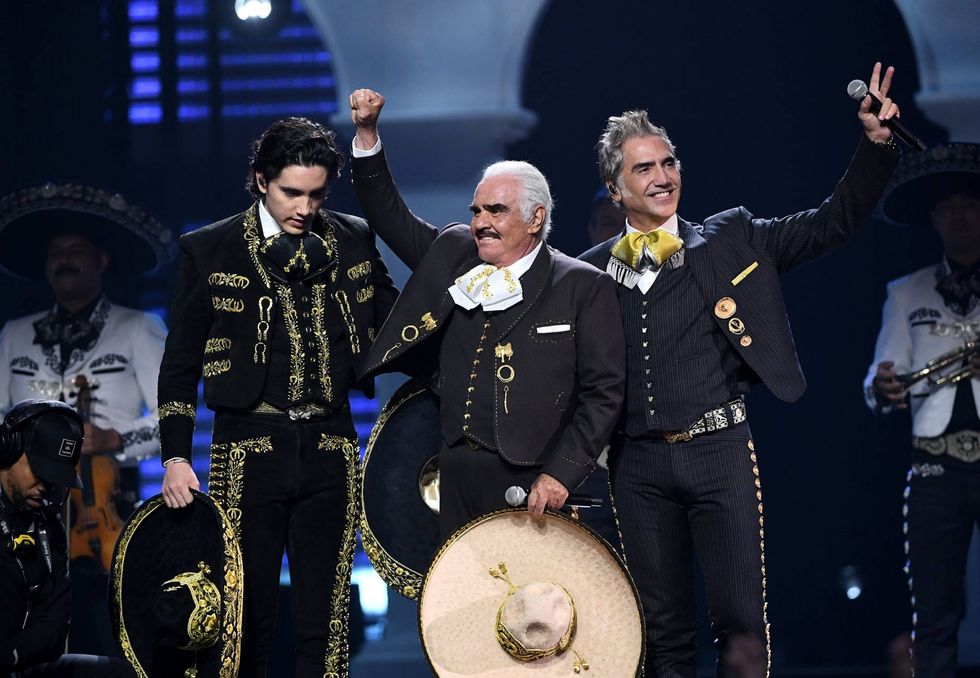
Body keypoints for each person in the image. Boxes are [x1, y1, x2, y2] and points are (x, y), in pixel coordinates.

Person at [578, 62, 903, 676]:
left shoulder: (731, 238)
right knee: (662, 635)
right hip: (637, 465)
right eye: (644, 168)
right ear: (616, 190)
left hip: (719, 451)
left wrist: (875, 148)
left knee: (742, 632)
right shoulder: (590, 272)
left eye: (669, 162)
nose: (663, 176)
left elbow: (832, 221)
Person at [157, 116, 398, 677]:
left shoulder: (353, 237)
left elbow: (394, 323)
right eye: (292, 192)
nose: (304, 207)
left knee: (328, 617)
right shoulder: (210, 249)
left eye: (316, 195)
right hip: (247, 446)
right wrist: (173, 457)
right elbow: (180, 365)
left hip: (331, 445)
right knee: (244, 614)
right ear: (261, 180)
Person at [348, 88, 625, 538]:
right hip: (453, 473)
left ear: (535, 219)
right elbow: (389, 216)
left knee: (528, 606)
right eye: (476, 210)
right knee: (459, 602)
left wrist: (561, 474)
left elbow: (605, 393)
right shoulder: (456, 255)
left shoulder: (580, 285)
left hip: (534, 479)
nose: (480, 222)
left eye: (496, 210)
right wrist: (366, 135)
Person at [0, 184, 171, 658]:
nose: (65, 259)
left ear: (102, 261)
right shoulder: (15, 334)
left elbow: (174, 417)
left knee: (116, 627)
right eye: (57, 252)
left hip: (112, 502)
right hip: (26, 509)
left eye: (77, 250)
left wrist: (117, 436)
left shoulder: (138, 327)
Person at [865, 142, 980, 677]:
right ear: (934, 219)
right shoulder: (905, 291)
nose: (959, 215)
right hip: (936, 466)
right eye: (948, 207)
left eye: (969, 204)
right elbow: (880, 374)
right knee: (934, 613)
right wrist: (883, 385)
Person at [0, 398, 132, 677]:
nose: (45, 487)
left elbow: (54, 626)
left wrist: (12, 655)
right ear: (8, 449)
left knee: (121, 673)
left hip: (18, 663)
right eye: (39, 471)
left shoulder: (49, 525)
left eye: (54, 477)